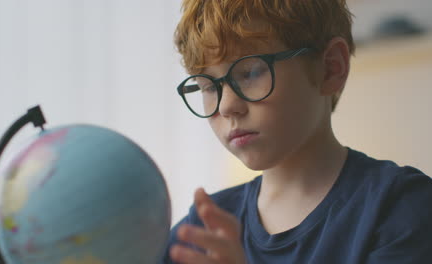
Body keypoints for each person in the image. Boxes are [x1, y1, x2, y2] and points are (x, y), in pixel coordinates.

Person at [162, 0, 432, 263]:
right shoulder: (203, 230)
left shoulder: (401, 207)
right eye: (209, 87)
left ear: (330, 68)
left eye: (251, 72)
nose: (227, 106)